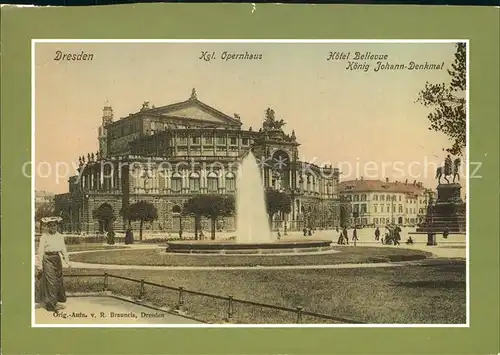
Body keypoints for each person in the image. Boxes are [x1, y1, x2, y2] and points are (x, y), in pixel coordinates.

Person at [36, 217, 71, 312]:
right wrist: (40, 265)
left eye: (54, 225)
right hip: (47, 259)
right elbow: (41, 251)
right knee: (51, 280)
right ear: (48, 227)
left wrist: (67, 261)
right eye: (50, 225)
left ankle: (55, 301)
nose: (52, 227)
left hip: (56, 258)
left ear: (57, 226)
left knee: (58, 280)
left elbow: (63, 249)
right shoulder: (44, 236)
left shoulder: (60, 236)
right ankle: (50, 304)